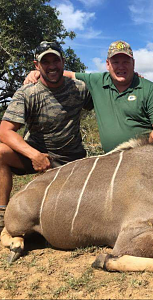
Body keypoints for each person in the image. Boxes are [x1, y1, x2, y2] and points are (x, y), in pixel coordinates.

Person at [0, 41, 93, 231]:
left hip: (72, 160)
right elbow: (4, 130)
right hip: (36, 156)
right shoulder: (28, 93)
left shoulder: (80, 88)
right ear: (37, 66)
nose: (51, 66)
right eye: (45, 62)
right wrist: (34, 155)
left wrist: (134, 79)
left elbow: (107, 93)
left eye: (55, 60)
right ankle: (2, 213)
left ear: (63, 62)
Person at [25, 40, 153, 153]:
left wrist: (144, 157)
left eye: (126, 61)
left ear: (133, 63)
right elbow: (66, 73)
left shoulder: (150, 89)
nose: (121, 66)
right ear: (107, 64)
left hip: (142, 156)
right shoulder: (97, 81)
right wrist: (39, 73)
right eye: (115, 62)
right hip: (110, 160)